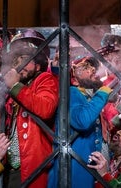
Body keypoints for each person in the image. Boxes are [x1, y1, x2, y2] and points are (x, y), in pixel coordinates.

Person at [2, 30, 59, 188]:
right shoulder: (12, 92)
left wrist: (15, 86)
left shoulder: (44, 79)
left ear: (38, 65)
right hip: (10, 168)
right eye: (16, 61)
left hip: (34, 167)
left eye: (25, 60)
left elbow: (46, 108)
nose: (20, 65)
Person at [48, 56, 112, 188]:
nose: (92, 70)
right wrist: (103, 93)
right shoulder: (72, 92)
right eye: (85, 68)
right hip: (74, 168)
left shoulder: (89, 97)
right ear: (75, 80)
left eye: (93, 67)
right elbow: (82, 121)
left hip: (86, 166)